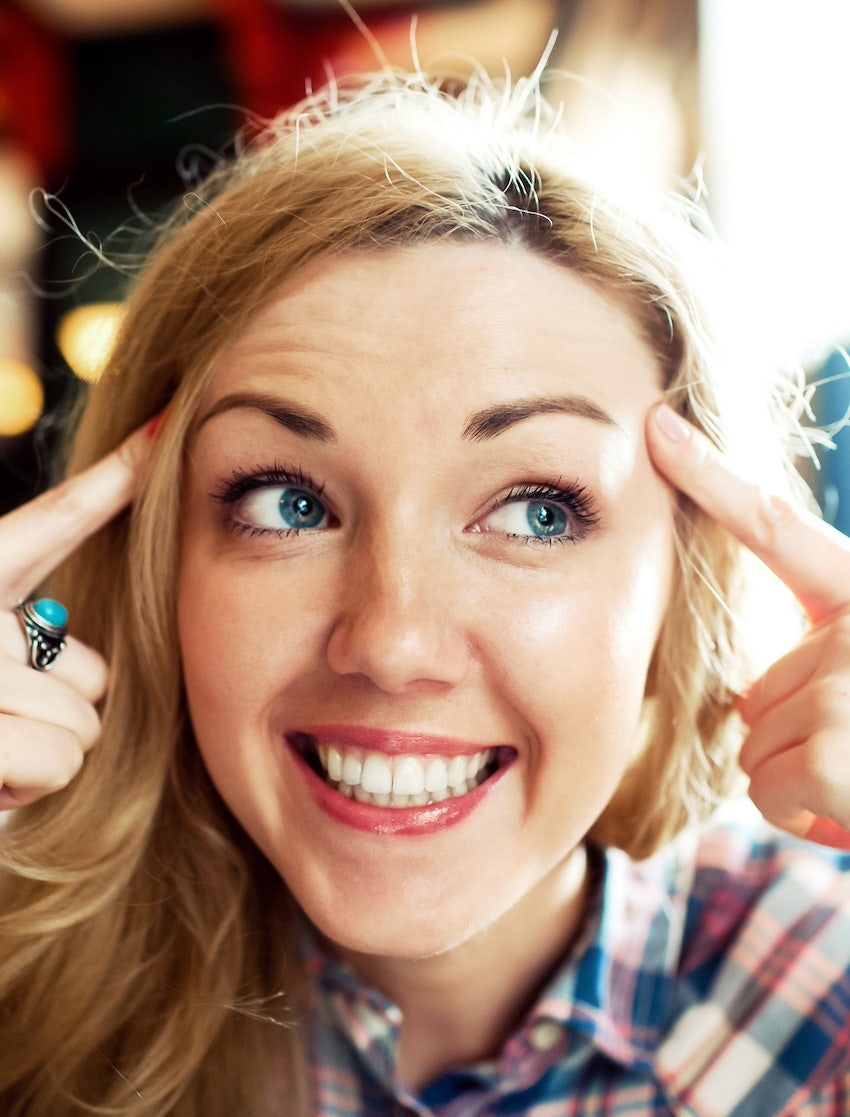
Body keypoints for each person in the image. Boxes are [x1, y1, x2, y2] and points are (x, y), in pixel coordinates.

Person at [2, 65, 850, 1117]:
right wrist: (44, 641)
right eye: (287, 504)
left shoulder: (825, 1004)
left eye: (537, 510)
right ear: (156, 562)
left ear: (681, 584)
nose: (392, 642)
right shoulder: (24, 986)